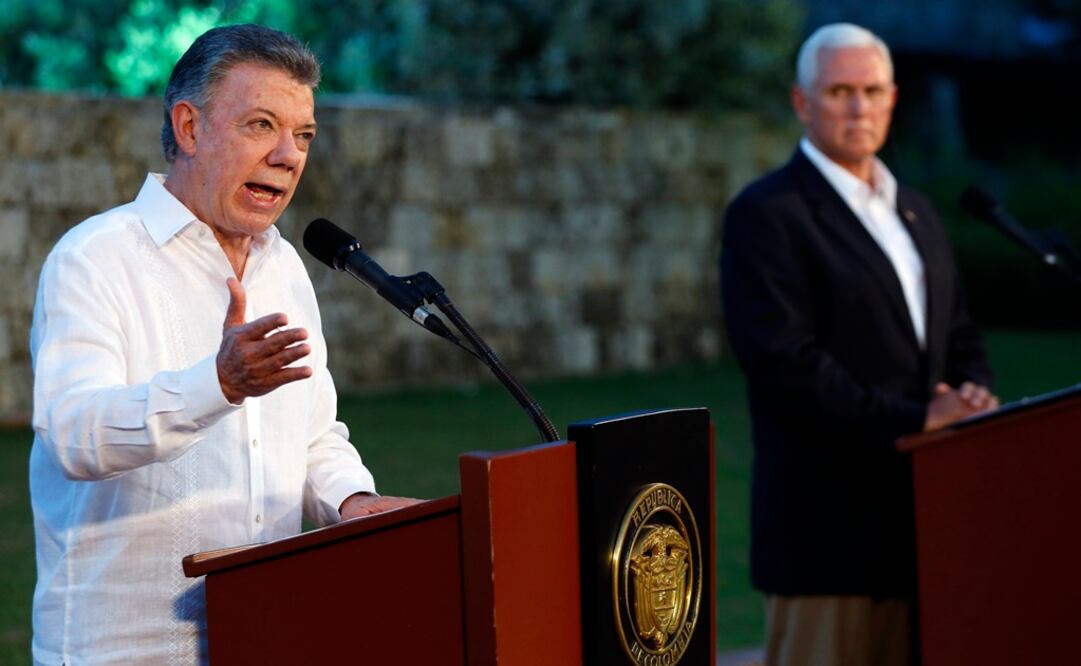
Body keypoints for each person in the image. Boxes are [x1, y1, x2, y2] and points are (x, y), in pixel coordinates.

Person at [29, 24, 416, 664]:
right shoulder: (95, 258)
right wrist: (219, 384)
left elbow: (311, 434)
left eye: (304, 135)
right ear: (189, 127)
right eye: (261, 125)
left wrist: (353, 501)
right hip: (123, 651)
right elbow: (74, 435)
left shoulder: (283, 268)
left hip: (262, 633)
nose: (288, 155)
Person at [720, 23, 998, 666]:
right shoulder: (768, 213)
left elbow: (958, 331)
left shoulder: (915, 210)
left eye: (871, 91)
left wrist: (973, 394)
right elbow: (783, 364)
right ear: (802, 102)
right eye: (839, 91)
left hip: (926, 526)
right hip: (828, 537)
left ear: (893, 99)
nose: (858, 108)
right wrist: (917, 418)